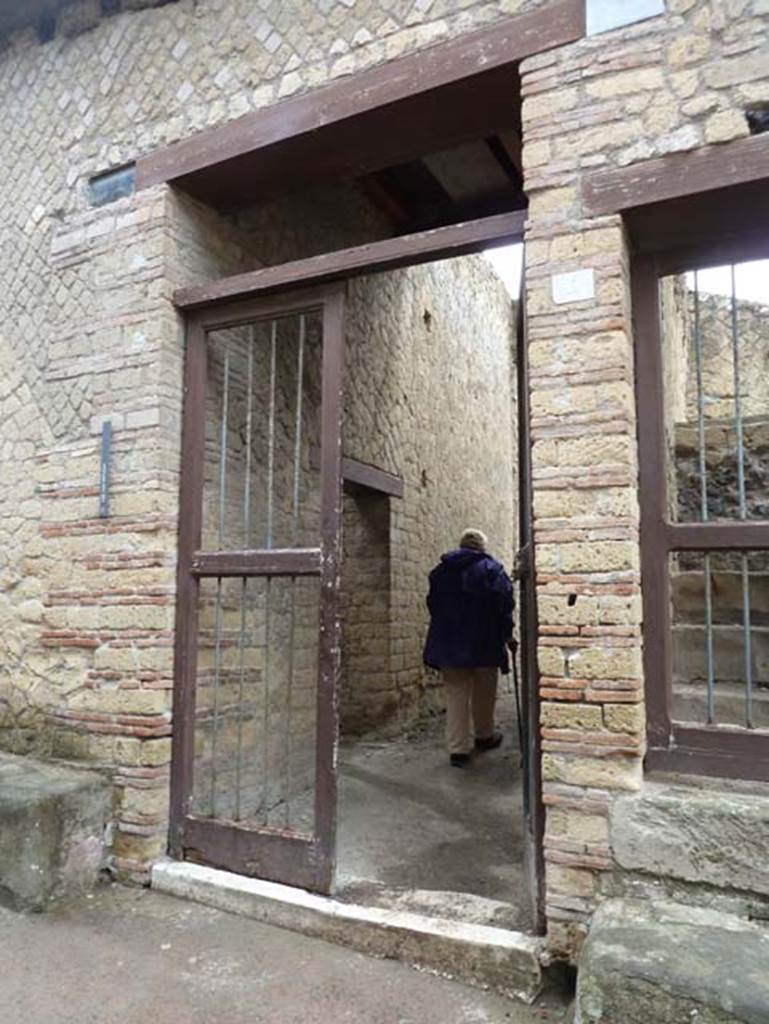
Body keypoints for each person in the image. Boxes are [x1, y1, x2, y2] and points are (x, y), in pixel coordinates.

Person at [423, 529, 514, 768]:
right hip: (485, 641)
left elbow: (433, 604)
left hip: (450, 643)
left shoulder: (440, 572)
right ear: (482, 547)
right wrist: (507, 633)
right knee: (485, 692)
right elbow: (504, 604)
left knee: (455, 695)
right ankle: (484, 735)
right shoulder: (492, 569)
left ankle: (458, 749)